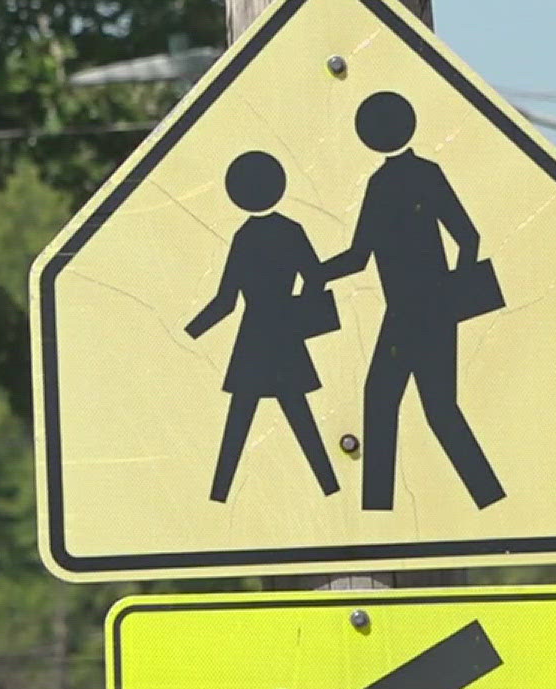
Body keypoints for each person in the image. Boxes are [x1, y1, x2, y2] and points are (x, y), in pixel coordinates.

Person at [315, 90, 506, 511]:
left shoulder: (389, 183)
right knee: (425, 407)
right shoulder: (412, 176)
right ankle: (481, 498)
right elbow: (466, 239)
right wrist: (451, 295)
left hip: (414, 313)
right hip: (420, 313)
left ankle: (385, 507)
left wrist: (314, 274)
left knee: (397, 404)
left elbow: (359, 257)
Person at [186, 150, 341, 503]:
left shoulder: (245, 237)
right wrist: (296, 312)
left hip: (255, 338)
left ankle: (219, 495)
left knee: (240, 420)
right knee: (298, 414)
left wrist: (190, 332)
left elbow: (226, 301)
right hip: (284, 335)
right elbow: (315, 278)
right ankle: (330, 488)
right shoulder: (292, 230)